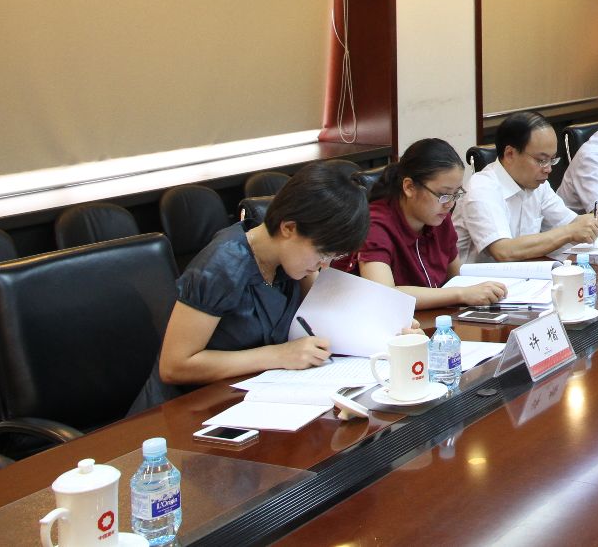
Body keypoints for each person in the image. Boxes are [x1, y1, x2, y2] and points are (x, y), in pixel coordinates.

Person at [131, 160, 373, 412]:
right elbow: (174, 366)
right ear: (289, 228)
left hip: (247, 397)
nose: (323, 265)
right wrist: (278, 355)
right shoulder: (223, 265)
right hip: (182, 411)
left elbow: (323, 313)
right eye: (322, 253)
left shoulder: (292, 262)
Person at [340, 138, 508, 309]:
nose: (450, 204)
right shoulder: (375, 225)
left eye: (456, 194)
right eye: (443, 195)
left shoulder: (439, 217)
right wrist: (461, 294)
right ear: (409, 187)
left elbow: (456, 277)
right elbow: (384, 295)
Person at [454, 111, 598, 264]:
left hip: (521, 278)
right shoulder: (482, 188)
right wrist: (568, 233)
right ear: (510, 154)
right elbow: (503, 251)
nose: (548, 169)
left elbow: (572, 222)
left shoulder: (536, 184)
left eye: (552, 160)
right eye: (541, 160)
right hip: (474, 288)